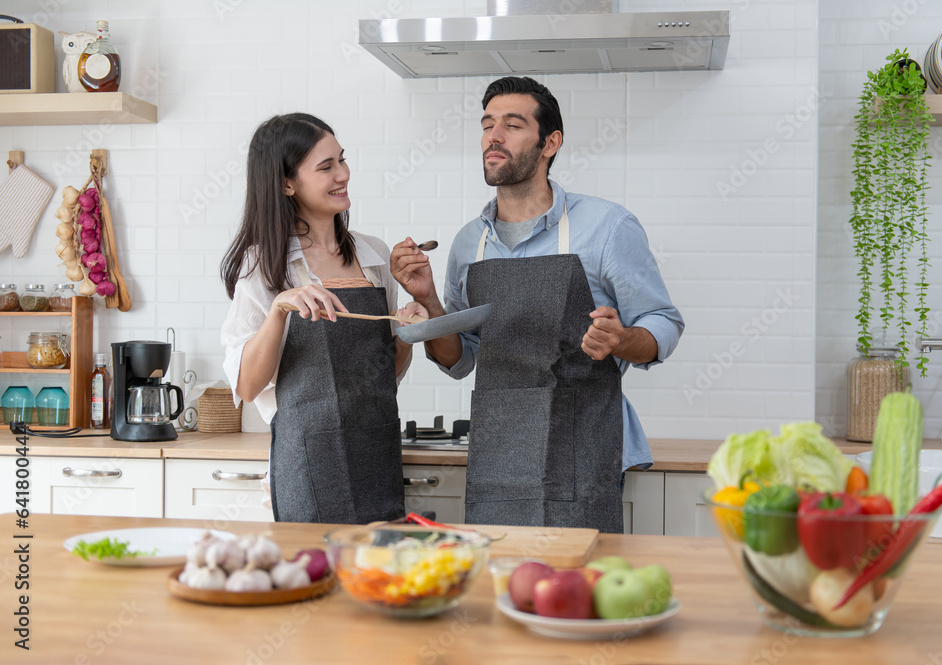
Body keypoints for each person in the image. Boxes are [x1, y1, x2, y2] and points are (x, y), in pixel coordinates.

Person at [391, 77, 684, 534]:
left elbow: (663, 324)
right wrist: (425, 298)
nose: (494, 136)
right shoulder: (470, 243)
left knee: (575, 588)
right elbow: (460, 357)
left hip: (583, 440)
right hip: (499, 447)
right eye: (487, 124)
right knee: (501, 588)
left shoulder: (606, 227)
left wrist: (622, 339)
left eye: (512, 124)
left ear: (550, 143)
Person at [220, 113, 426, 524]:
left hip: (376, 450)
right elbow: (246, 386)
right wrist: (280, 308)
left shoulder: (373, 256)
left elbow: (388, 373)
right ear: (286, 183)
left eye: (342, 160)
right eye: (326, 167)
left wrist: (406, 334)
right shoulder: (263, 265)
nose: (343, 174)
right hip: (308, 460)